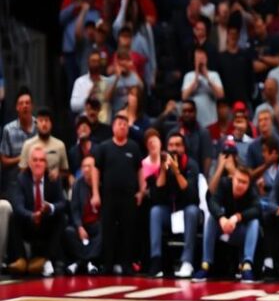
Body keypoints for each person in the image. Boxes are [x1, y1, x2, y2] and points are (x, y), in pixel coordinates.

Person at [93, 114, 145, 274]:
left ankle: (126, 265)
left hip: (129, 197)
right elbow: (96, 170)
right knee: (108, 231)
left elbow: (140, 170)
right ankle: (107, 265)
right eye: (119, 123)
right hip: (108, 196)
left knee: (128, 231)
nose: (122, 126)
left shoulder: (133, 147)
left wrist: (141, 190)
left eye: (125, 124)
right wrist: (95, 193)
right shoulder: (104, 147)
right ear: (113, 127)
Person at [194, 164, 261, 282]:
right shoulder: (224, 184)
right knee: (211, 219)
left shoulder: (252, 190)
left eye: (244, 182)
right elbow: (212, 202)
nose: (240, 185)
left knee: (254, 222)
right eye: (238, 180)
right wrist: (221, 218)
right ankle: (205, 265)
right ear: (233, 178)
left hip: (239, 232)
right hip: (222, 228)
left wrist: (237, 217)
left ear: (249, 184)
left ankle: (247, 266)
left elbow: (257, 209)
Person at [147, 132, 200, 279]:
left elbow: (192, 195)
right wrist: (163, 171)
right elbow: (156, 196)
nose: (174, 148)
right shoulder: (159, 164)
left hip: (187, 211)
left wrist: (176, 172)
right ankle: (156, 260)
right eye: (171, 145)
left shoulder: (191, 164)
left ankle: (187, 261)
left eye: (178, 145)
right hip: (169, 212)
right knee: (155, 211)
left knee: (192, 211)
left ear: (184, 148)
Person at [11, 146, 67, 276]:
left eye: (41, 160)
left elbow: (62, 203)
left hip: (46, 222)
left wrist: (50, 207)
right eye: (35, 160)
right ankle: (21, 259)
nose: (38, 163)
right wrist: (31, 215)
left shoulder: (53, 178)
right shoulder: (21, 179)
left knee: (61, 218)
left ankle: (46, 259)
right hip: (29, 222)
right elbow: (18, 205)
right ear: (29, 163)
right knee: (14, 217)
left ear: (46, 164)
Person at [65, 156, 101, 275]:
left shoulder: (102, 183)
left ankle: (80, 261)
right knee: (68, 232)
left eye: (89, 166)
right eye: (83, 166)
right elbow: (74, 210)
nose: (86, 169)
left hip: (97, 224)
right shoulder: (77, 184)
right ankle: (90, 262)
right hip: (82, 225)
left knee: (106, 230)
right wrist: (79, 227)